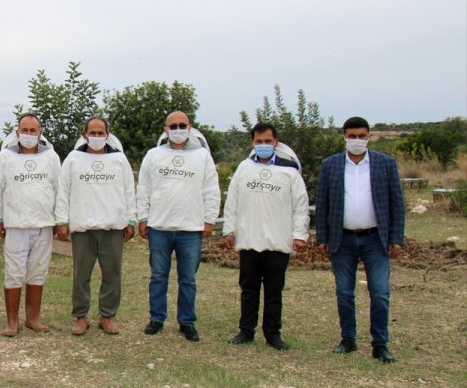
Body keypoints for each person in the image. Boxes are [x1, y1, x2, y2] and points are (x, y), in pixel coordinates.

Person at [315, 116, 405, 363]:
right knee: (344, 292)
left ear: (369, 137)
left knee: (379, 293)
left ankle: (380, 343)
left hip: (375, 239)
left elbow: (396, 203)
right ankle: (348, 339)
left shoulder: (385, 164)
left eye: (361, 136)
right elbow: (322, 204)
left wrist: (396, 237)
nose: (357, 140)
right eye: (352, 136)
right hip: (341, 239)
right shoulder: (330, 165)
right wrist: (321, 236)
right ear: (344, 137)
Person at [223, 123, 310, 350]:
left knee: (274, 291)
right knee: (248, 289)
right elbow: (232, 201)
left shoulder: (290, 171)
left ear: (276, 143)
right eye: (259, 142)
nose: (263, 145)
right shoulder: (244, 168)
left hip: (278, 242)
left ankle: (273, 334)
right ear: (253, 143)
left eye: (267, 141)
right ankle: (246, 331)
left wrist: (299, 235)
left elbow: (301, 206)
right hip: (250, 240)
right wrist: (229, 230)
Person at [136, 110, 220, 342]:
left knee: (188, 279)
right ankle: (157, 318)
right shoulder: (153, 155)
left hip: (191, 229)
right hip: (159, 228)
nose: (178, 130)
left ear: (190, 128)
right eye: (173, 126)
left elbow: (211, 190)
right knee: (158, 276)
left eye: (182, 125)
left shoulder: (202, 156)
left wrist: (209, 220)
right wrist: (143, 218)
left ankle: (187, 322)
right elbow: (144, 189)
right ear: (165, 129)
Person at [55, 116, 136, 336]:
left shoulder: (119, 159)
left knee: (112, 273)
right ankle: (81, 317)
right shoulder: (73, 159)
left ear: (107, 135)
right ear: (84, 135)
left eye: (101, 133)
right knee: (81, 274)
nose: (97, 137)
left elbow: (129, 191)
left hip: (113, 225)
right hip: (83, 226)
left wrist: (131, 219)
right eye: (93, 133)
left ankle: (107, 316)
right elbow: (63, 191)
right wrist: (61, 221)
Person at [0, 113, 61, 336]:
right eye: (25, 130)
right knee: (13, 273)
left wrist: (60, 220)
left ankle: (33, 318)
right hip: (15, 224)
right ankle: (12, 322)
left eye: (33, 130)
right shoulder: (4, 157)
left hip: (43, 224)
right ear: (17, 132)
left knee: (37, 272)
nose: (29, 134)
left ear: (40, 133)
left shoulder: (51, 157)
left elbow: (59, 190)